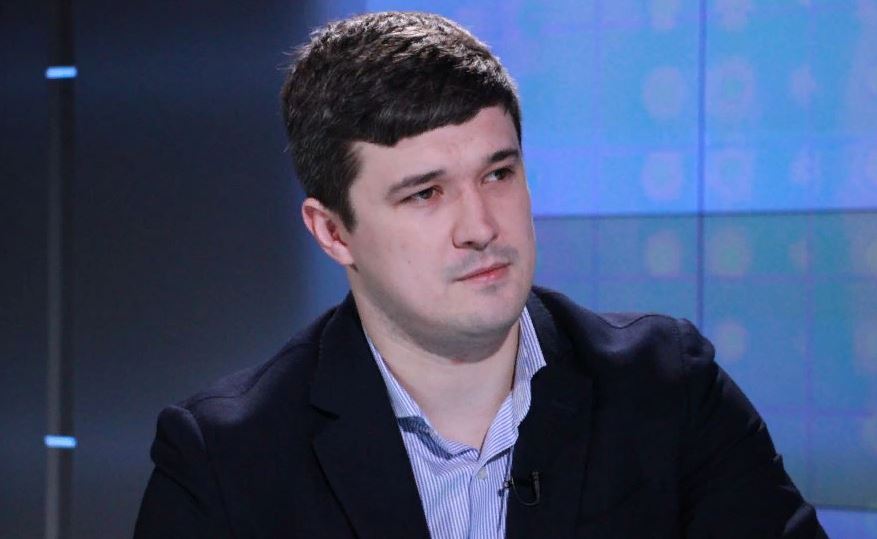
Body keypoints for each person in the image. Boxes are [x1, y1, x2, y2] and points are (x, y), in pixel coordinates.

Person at [135, 11, 826, 539]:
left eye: (498, 173)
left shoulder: (667, 388)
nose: (481, 225)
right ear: (332, 231)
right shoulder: (227, 460)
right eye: (425, 193)